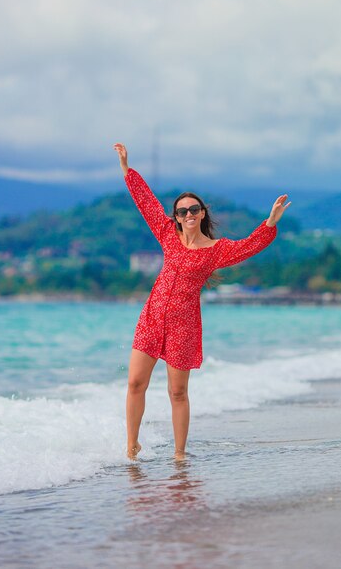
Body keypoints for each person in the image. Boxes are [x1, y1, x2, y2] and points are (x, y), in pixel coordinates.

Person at [113, 142, 291, 460]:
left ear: (202, 213)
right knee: (135, 383)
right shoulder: (168, 234)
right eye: (182, 211)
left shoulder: (217, 249)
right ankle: (131, 447)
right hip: (152, 317)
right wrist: (128, 170)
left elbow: (249, 246)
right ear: (177, 218)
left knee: (178, 392)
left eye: (194, 209)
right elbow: (148, 205)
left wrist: (270, 223)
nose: (188, 214)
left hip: (184, 325)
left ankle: (180, 454)